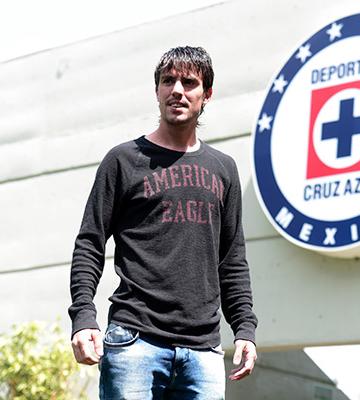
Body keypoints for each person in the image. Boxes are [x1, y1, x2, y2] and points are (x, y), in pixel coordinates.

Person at [68, 46, 258, 399]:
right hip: (134, 342)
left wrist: (244, 328)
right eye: (168, 81)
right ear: (157, 90)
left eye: (189, 83)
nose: (177, 91)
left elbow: (232, 259)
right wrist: (83, 316)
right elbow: (89, 244)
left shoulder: (223, 169)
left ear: (207, 94)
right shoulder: (123, 161)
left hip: (203, 351)